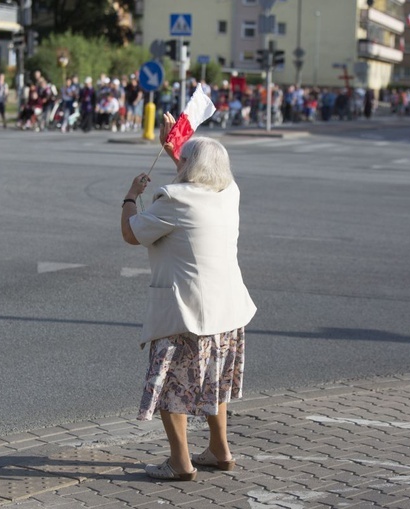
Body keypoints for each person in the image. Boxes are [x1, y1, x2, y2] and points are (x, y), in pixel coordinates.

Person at [120, 112, 257, 482]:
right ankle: (219, 450)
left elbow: (131, 234)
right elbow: (200, 172)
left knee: (171, 386)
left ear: (187, 168)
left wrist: (131, 196)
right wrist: (173, 148)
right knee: (213, 382)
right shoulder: (230, 193)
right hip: (228, 310)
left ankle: (180, 462)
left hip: (188, 313)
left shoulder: (174, 200)